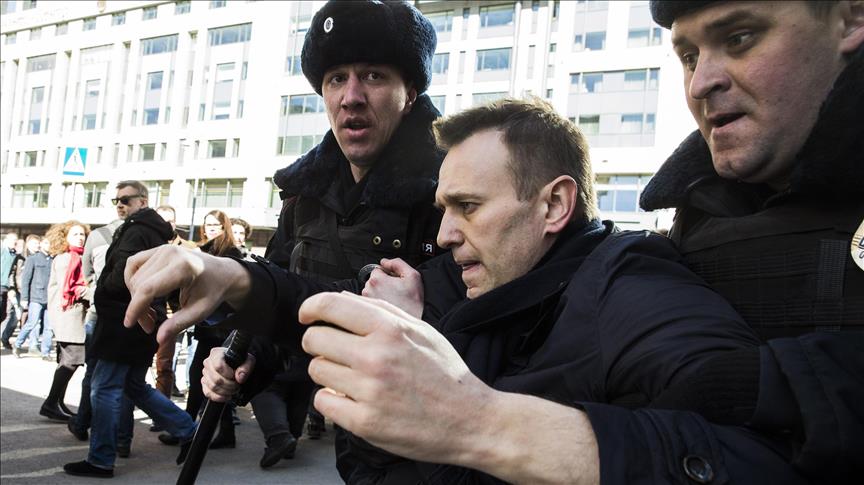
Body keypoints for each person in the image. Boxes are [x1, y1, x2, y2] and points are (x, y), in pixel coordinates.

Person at [124, 98, 813, 484]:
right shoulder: (463, 281)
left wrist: (487, 424)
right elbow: (327, 292)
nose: (445, 234)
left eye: (469, 207)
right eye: (443, 208)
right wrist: (233, 277)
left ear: (554, 204)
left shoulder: (633, 287)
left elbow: (769, 454)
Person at [240, 0, 444, 469]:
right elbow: (279, 284)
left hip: (429, 446)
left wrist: (237, 282)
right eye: (336, 79)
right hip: (353, 445)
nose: (351, 96)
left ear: (410, 94)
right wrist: (247, 356)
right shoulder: (302, 194)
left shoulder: (451, 191)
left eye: (373, 75)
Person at [63, 181, 195, 479]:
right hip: (138, 319)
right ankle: (190, 431)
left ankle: (100, 460)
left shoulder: (138, 230)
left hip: (124, 319)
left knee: (104, 388)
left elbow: (124, 273)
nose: (120, 205)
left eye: (126, 199)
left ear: (142, 201)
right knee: (134, 386)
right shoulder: (151, 231)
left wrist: (103, 293)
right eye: (116, 200)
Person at [158, 209, 241, 450]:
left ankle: (187, 430)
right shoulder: (202, 250)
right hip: (206, 325)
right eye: (208, 225)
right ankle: (208, 431)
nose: (211, 228)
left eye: (216, 224)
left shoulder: (230, 252)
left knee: (204, 379)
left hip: (222, 327)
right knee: (202, 379)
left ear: (224, 226)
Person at [67, 216, 124, 441]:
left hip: (100, 312)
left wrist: (94, 292)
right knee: (123, 378)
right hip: (122, 315)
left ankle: (83, 423)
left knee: (94, 373)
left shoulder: (98, 236)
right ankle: (121, 437)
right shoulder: (143, 238)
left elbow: (87, 273)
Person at [36, 221, 91, 421]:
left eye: (82, 234)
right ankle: (51, 403)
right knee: (71, 362)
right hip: (69, 318)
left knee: (67, 361)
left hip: (72, 317)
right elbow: (73, 288)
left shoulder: (76, 257)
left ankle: (57, 403)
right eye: (75, 234)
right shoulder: (67, 258)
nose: (80, 237)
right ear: (64, 237)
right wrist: (94, 293)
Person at [14, 237, 52, 359]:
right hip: (36, 297)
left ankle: (45, 352)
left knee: (49, 327)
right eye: (46, 243)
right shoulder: (32, 259)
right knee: (32, 323)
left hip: (50, 298)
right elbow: (26, 279)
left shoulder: (53, 260)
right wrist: (24, 298)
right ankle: (17, 344)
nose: (49, 245)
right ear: (41, 244)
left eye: (50, 243)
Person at [0, 231, 20, 348]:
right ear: (6, 241)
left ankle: (3, 338)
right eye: (12, 240)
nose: (14, 243)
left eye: (16, 241)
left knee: (5, 314)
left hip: (8, 288)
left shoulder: (15, 255)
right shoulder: (2, 251)